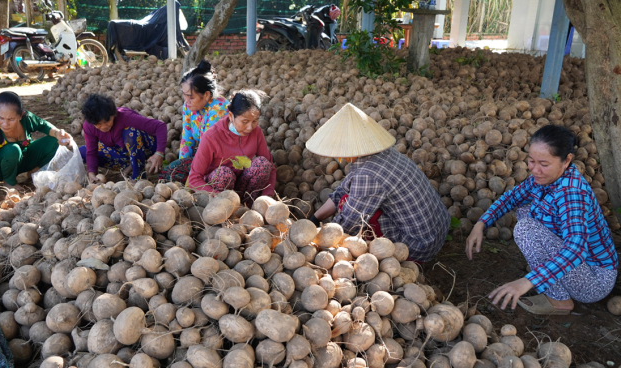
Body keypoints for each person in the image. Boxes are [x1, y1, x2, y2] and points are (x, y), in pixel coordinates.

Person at [466, 125, 618, 315]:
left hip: (594, 280)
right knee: (524, 210)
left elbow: (576, 250)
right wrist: (481, 224)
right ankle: (548, 273)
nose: (535, 170)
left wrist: (527, 282)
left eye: (544, 164)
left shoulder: (571, 193)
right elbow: (510, 198)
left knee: (524, 228)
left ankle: (559, 300)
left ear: (567, 160)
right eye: (531, 161)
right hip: (578, 266)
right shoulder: (545, 179)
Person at [309, 103, 450, 263]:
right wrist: (314, 219)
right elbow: (342, 190)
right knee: (348, 198)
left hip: (419, 246)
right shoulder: (380, 153)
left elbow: (349, 223)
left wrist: (317, 240)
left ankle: (410, 262)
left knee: (350, 209)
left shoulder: (368, 175)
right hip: (438, 229)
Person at [188, 89, 276, 203]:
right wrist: (220, 199)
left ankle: (247, 205)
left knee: (263, 164)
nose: (250, 127)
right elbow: (194, 179)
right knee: (224, 174)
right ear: (230, 116)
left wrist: (267, 197)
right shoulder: (212, 137)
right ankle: (227, 211)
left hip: (243, 186)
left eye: (255, 121)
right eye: (244, 122)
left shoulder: (256, 132)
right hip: (218, 190)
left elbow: (271, 167)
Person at [162, 59, 229, 183]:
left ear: (206, 95)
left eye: (191, 97)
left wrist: (192, 178)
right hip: (204, 156)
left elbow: (207, 150)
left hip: (222, 162)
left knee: (213, 179)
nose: (186, 101)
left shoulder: (218, 110)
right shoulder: (189, 106)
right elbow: (187, 139)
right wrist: (181, 165)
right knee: (170, 172)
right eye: (184, 95)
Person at [80, 93, 167, 182]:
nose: (103, 127)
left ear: (113, 114)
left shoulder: (125, 116)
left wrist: (159, 154)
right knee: (82, 152)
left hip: (145, 149)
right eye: (98, 124)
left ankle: (138, 176)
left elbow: (160, 126)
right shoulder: (89, 126)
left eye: (107, 122)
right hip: (123, 152)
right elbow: (91, 152)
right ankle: (130, 166)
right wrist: (92, 173)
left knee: (130, 133)